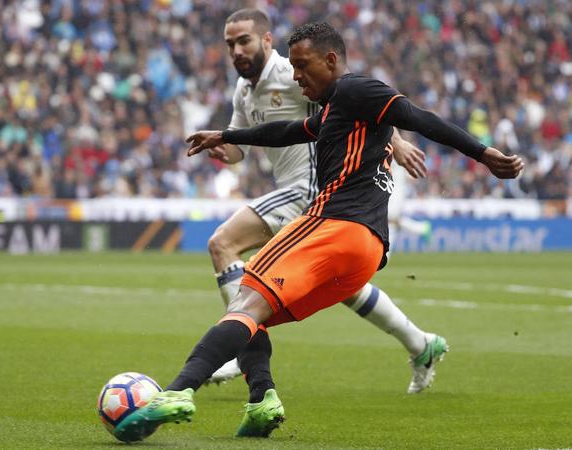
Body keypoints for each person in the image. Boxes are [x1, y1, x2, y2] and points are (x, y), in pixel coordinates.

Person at [114, 22, 524, 442]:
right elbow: (287, 131)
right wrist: (227, 134)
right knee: (258, 316)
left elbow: (417, 117)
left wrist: (483, 153)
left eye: (302, 65)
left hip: (333, 223)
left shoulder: (353, 90)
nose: (295, 76)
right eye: (292, 67)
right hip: (366, 252)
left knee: (244, 297)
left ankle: (178, 392)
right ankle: (262, 401)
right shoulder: (335, 110)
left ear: (331, 60)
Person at [206, 8, 445, 395]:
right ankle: (421, 344)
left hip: (313, 188)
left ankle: (238, 338)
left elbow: (357, 103)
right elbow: (239, 152)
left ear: (266, 40)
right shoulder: (243, 90)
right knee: (344, 287)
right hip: (301, 195)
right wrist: (224, 151)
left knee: (222, 243)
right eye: (230, 43)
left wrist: (395, 140)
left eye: (244, 40)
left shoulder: (292, 73)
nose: (236, 50)